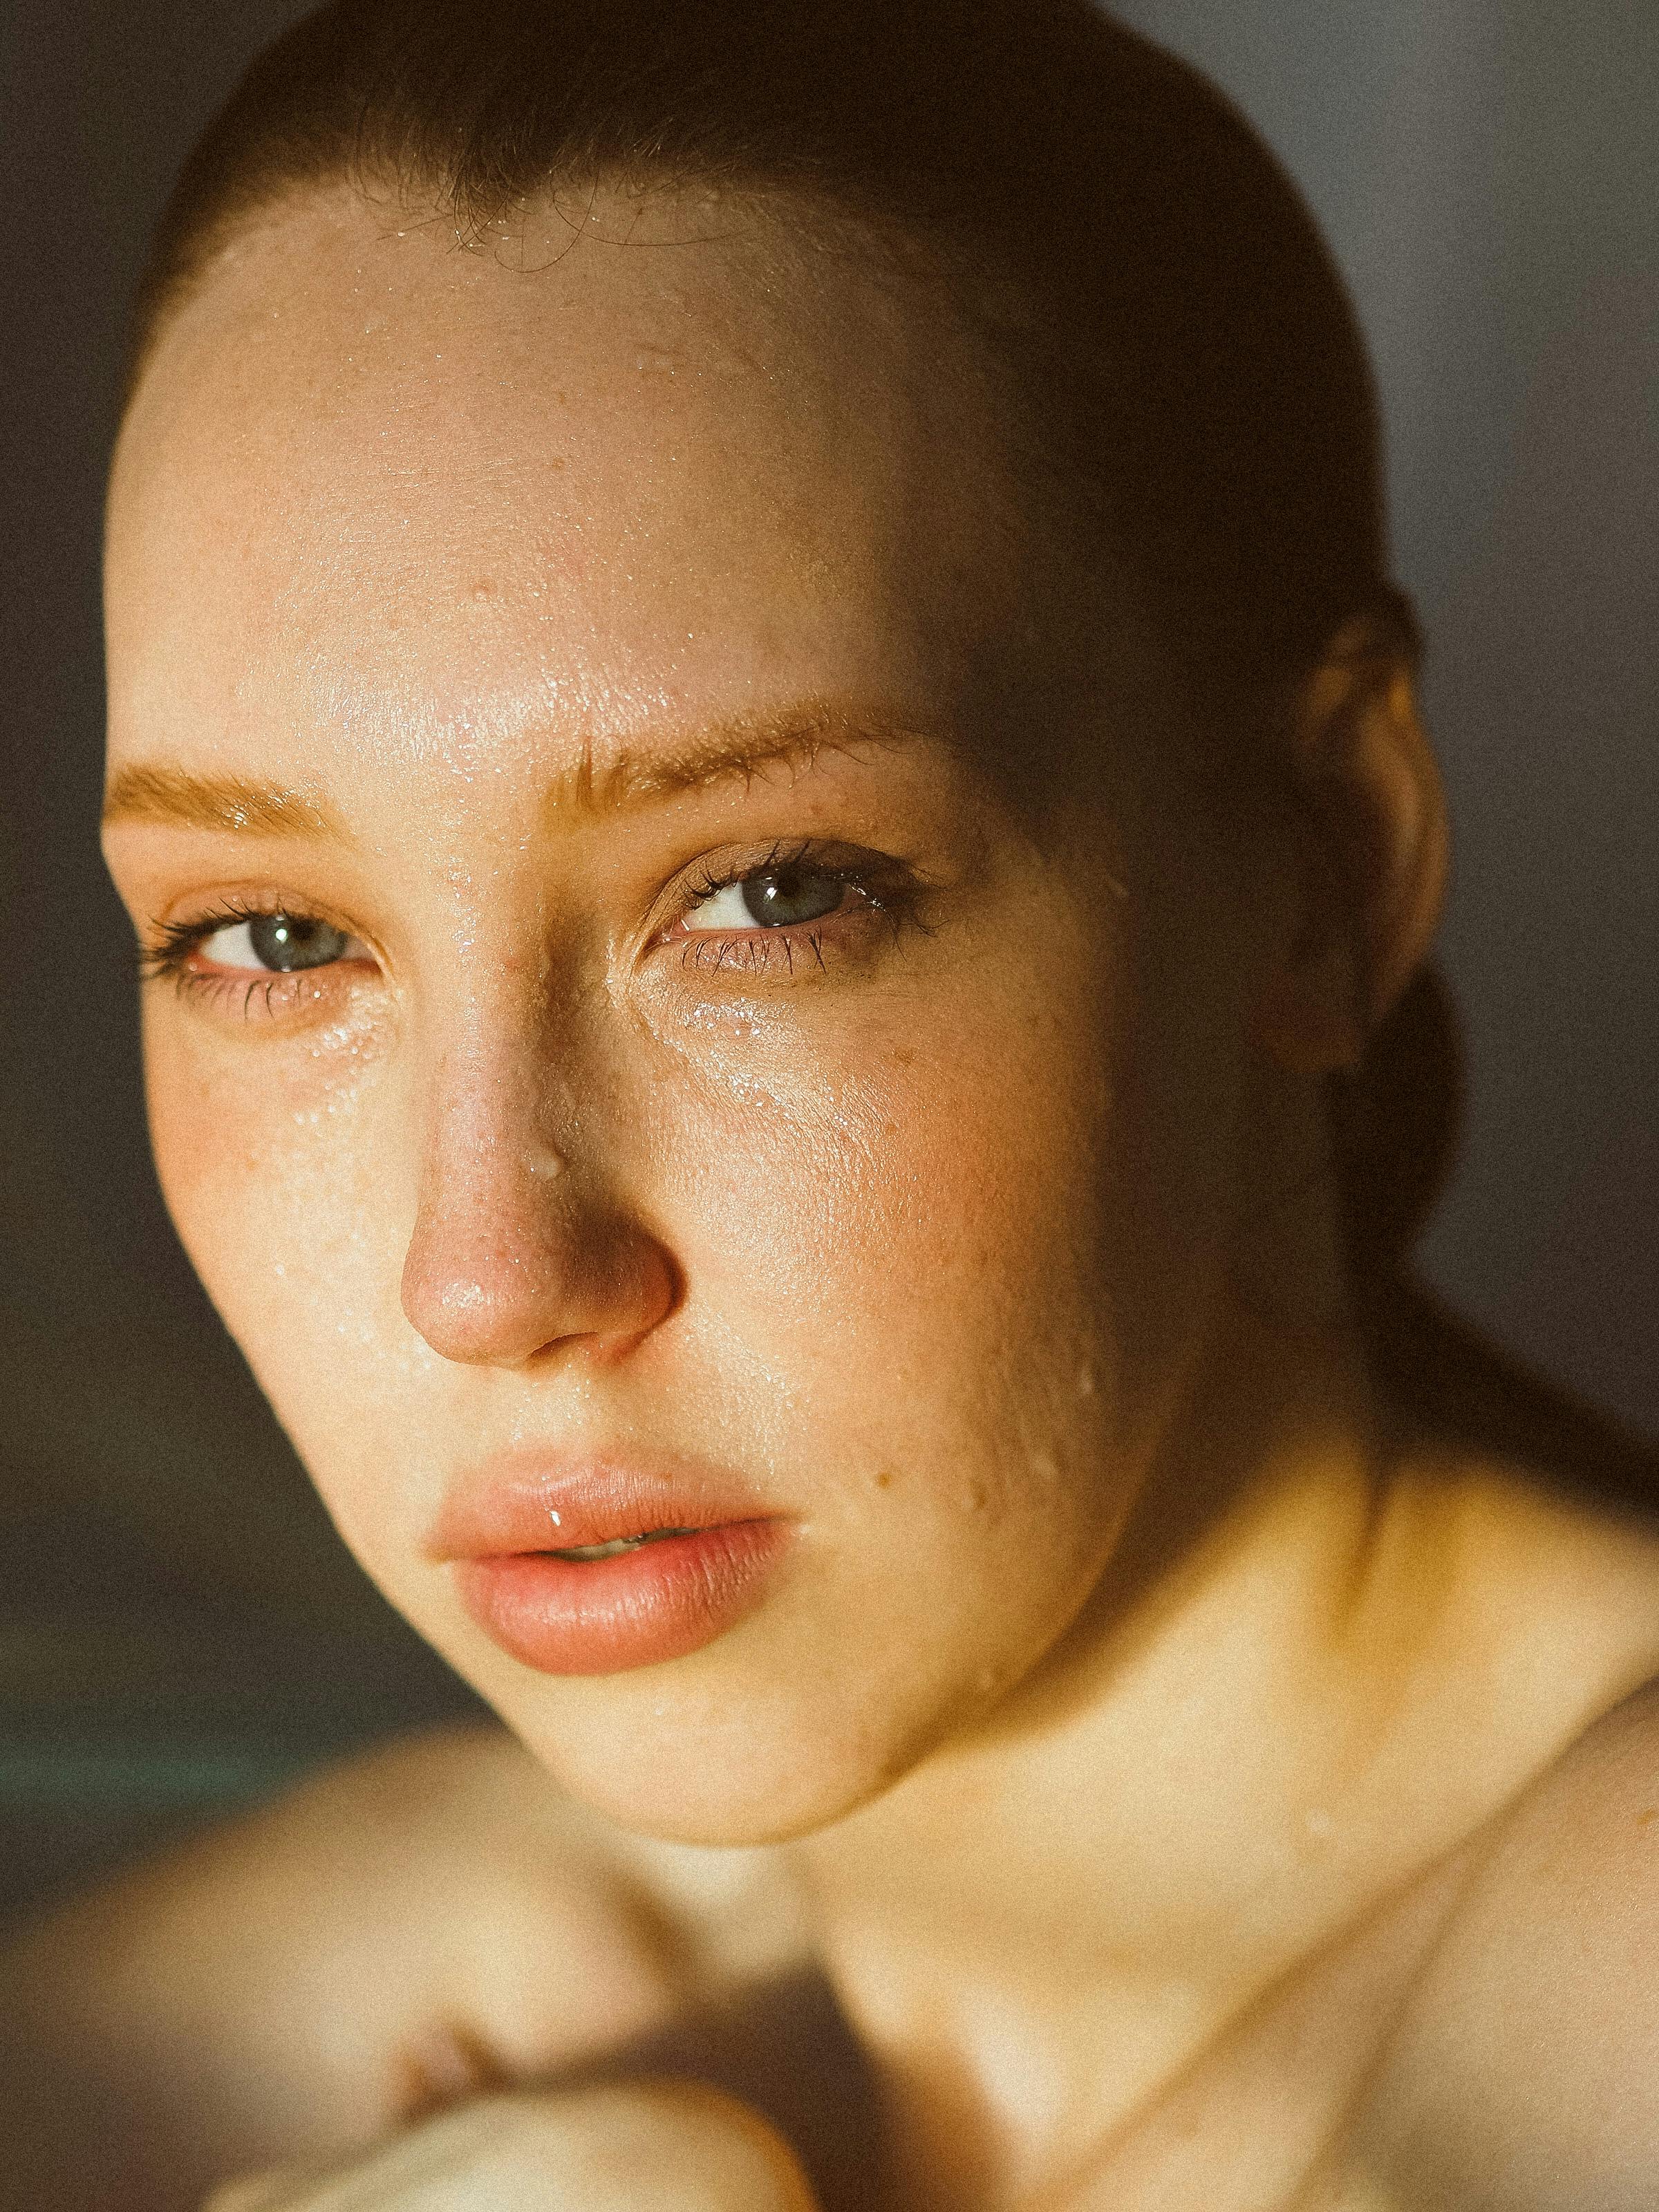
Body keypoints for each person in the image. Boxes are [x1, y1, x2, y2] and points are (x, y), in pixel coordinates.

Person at [6, 1, 1659, 2205]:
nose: (488, 1275)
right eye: (272, 942)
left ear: (1327, 870)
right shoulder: (347, 1992)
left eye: (775, 896)